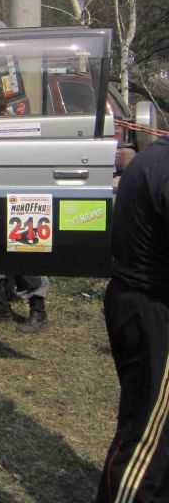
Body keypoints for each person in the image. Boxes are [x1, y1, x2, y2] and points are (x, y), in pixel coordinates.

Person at [96, 136, 169, 502]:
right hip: (151, 309)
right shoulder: (162, 167)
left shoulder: (154, 159)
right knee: (146, 440)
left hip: (138, 302)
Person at [0, 88, 49, 333]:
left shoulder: (20, 132)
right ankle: (1, 305)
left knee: (26, 254)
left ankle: (38, 312)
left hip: (21, 200)